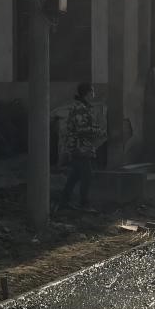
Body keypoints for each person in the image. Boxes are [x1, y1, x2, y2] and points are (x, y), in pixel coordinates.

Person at [55, 82, 105, 213]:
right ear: (87, 93)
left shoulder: (83, 107)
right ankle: (84, 204)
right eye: (92, 91)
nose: (94, 94)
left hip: (81, 146)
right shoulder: (80, 108)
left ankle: (63, 202)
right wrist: (99, 131)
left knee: (75, 176)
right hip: (79, 147)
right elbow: (82, 129)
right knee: (87, 176)